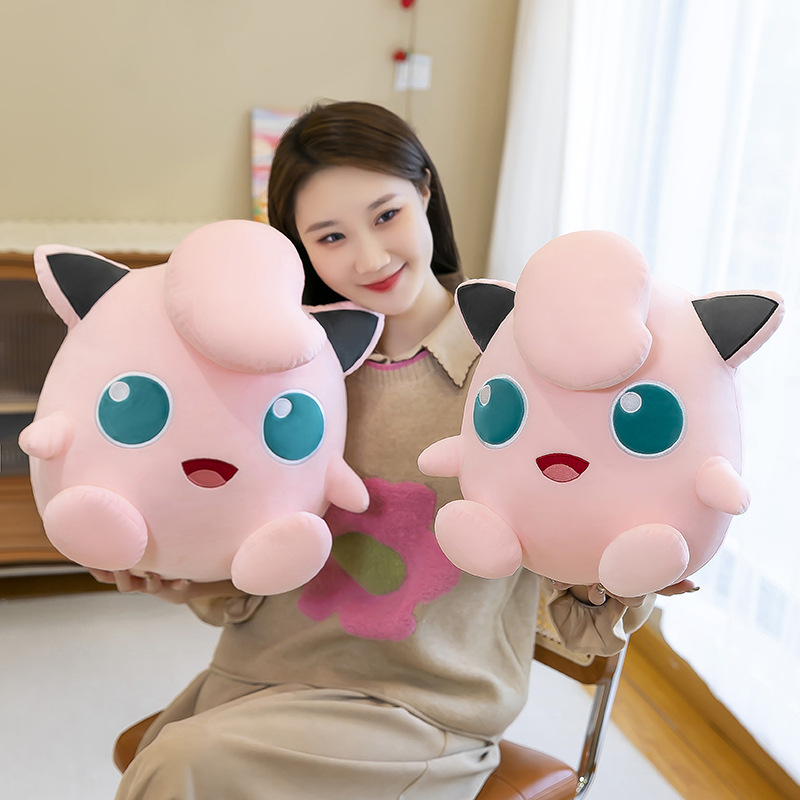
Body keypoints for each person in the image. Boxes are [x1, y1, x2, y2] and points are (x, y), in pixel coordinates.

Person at [107, 100, 656, 800]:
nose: (369, 257)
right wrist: (178, 575)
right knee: (181, 760)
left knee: (181, 766)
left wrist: (621, 569)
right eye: (331, 236)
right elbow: (266, 563)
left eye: (386, 215)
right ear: (299, 248)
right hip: (262, 676)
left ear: (425, 192)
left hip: (421, 706)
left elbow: (580, 599)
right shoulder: (289, 374)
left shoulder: (516, 369)